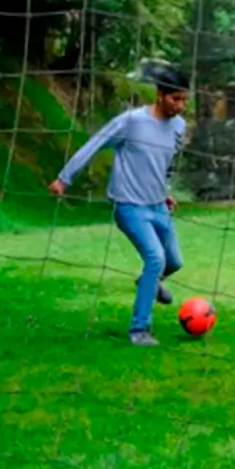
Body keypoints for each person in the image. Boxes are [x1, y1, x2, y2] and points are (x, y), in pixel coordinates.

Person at [49, 61, 189, 347]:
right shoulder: (131, 122)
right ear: (160, 95)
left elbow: (167, 163)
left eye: (185, 100)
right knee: (155, 258)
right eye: (176, 99)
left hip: (158, 206)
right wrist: (64, 178)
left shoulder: (179, 126)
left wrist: (166, 191)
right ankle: (140, 331)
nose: (181, 106)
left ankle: (147, 283)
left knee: (173, 261)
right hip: (129, 206)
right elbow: (94, 144)